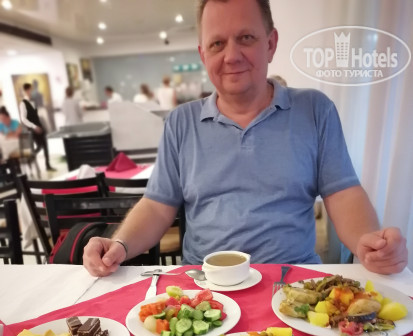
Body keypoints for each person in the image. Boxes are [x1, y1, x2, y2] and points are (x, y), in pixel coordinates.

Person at [83, 0, 407, 277]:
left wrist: (369, 243)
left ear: (271, 43)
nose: (232, 55)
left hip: (293, 282)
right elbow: (157, 206)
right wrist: (120, 244)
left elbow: (343, 192)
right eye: (217, 44)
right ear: (203, 54)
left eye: (246, 38)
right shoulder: (180, 122)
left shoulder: (315, 110)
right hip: (203, 286)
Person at [19, 82, 56, 171]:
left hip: (39, 125)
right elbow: (23, 119)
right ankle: (30, 158)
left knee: (45, 145)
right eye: (30, 90)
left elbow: (36, 115)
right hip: (32, 129)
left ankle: (47, 165)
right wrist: (34, 127)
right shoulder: (23, 103)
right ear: (26, 90)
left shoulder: (33, 101)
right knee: (40, 146)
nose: (31, 91)